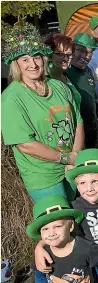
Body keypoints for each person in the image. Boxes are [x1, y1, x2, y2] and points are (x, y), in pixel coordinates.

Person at [1, 23, 84, 202]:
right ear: (16, 65)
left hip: (71, 166)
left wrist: (75, 155)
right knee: (58, 223)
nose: (33, 64)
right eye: (25, 60)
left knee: (78, 216)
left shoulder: (58, 86)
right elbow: (25, 144)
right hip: (43, 176)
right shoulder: (11, 98)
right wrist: (66, 158)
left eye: (36, 57)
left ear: (44, 59)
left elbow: (77, 121)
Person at [34, 149, 98, 283]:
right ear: (77, 185)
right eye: (82, 183)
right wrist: (39, 246)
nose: (89, 188)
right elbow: (57, 229)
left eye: (95, 181)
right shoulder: (75, 208)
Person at [27, 195, 98, 283]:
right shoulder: (42, 253)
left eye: (57, 226)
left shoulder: (87, 249)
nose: (51, 233)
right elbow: (40, 277)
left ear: (71, 226)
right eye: (45, 229)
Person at [68, 33, 98, 148]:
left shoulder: (88, 71)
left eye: (89, 52)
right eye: (80, 50)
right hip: (75, 130)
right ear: (72, 50)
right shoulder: (65, 71)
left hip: (91, 127)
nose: (85, 55)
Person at [44, 33, 82, 108]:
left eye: (69, 55)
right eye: (60, 54)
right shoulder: (45, 80)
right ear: (50, 55)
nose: (65, 59)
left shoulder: (67, 75)